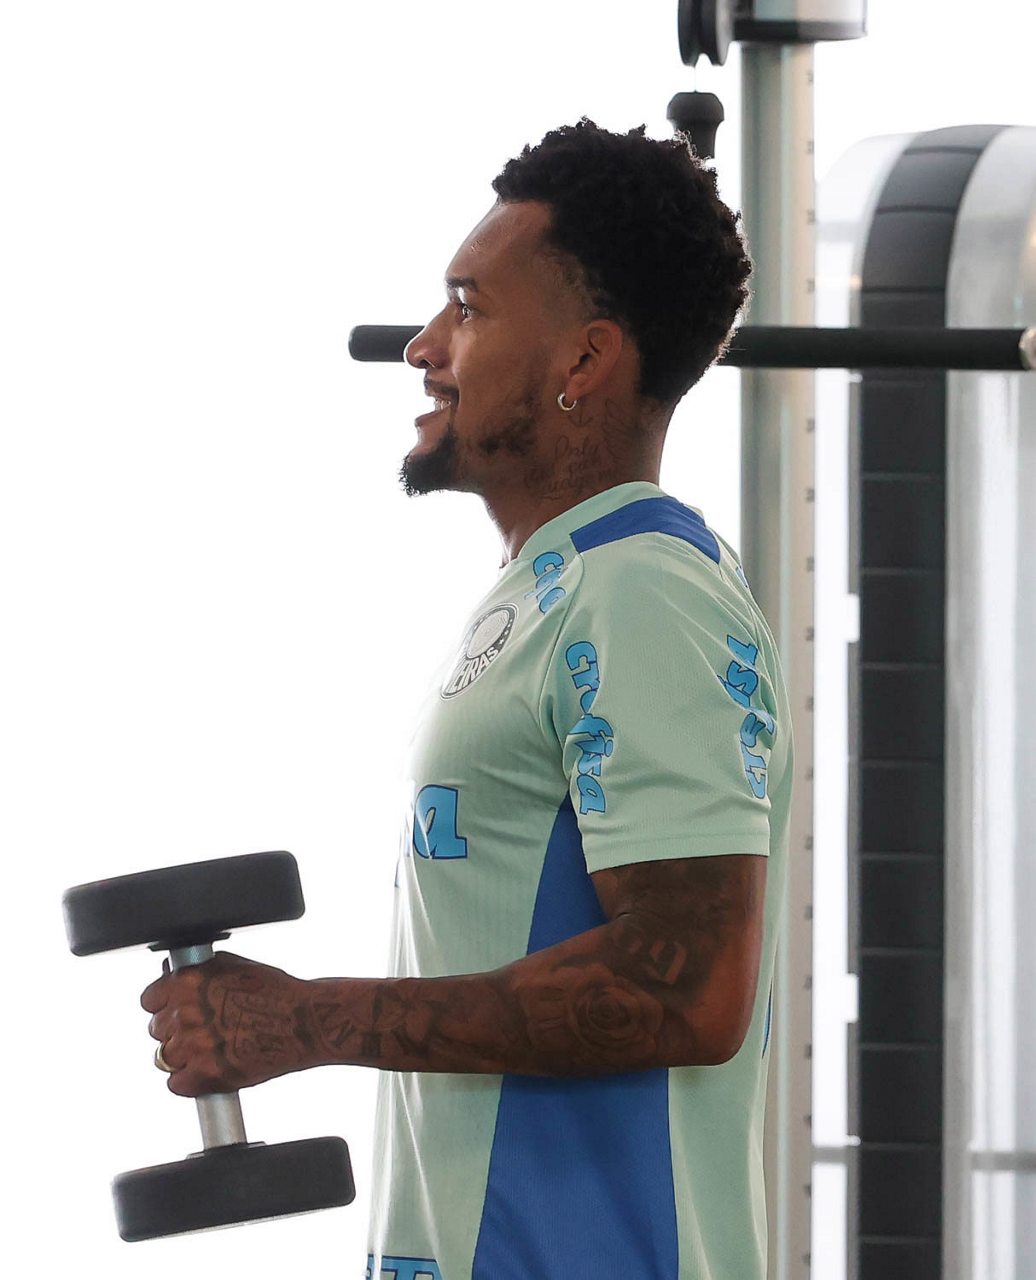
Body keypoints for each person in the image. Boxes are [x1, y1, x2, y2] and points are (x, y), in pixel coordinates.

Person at [141, 118, 793, 1280]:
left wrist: (308, 1019)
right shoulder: (560, 589)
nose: (424, 345)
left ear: (582, 364)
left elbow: (689, 983)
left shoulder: (641, 593)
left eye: (468, 309)